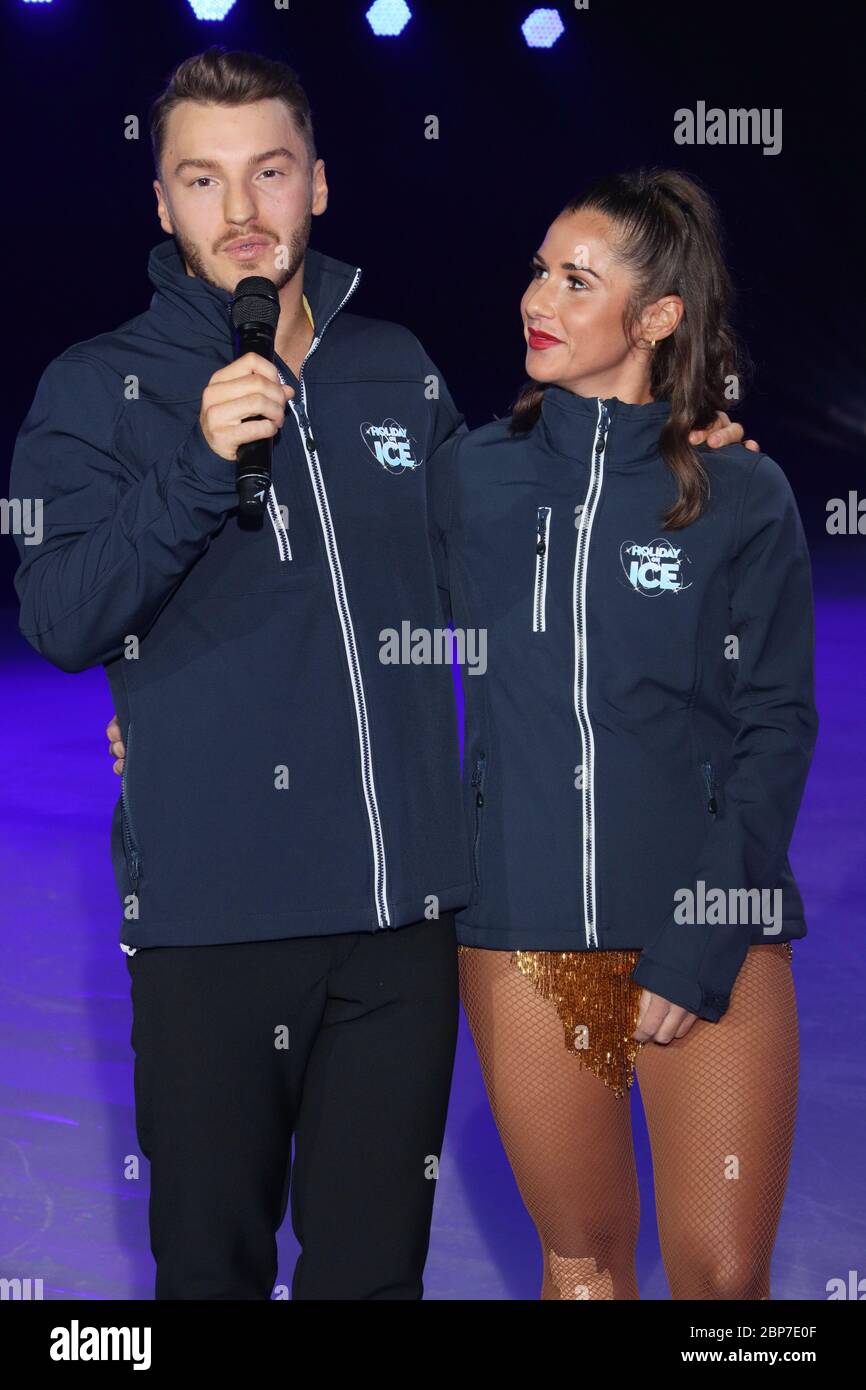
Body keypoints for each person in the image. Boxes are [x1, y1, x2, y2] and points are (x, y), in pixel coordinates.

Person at [12, 45, 754, 1300]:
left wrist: (656, 464)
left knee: (372, 1278)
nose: (240, 211)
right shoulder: (98, 389)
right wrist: (197, 466)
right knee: (209, 1271)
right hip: (210, 928)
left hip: (400, 931)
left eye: (269, 172)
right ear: (160, 203)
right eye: (202, 179)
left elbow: (505, 575)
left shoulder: (392, 369)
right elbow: (62, 615)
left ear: (319, 185)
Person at [429, 169, 818, 1300]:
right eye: (538, 269)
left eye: (574, 279)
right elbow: (335, 611)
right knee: (582, 1267)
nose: (534, 298)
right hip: (525, 940)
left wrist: (699, 939)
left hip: (709, 932)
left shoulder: (740, 496)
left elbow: (774, 723)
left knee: (723, 1280)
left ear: (655, 319)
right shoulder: (471, 476)